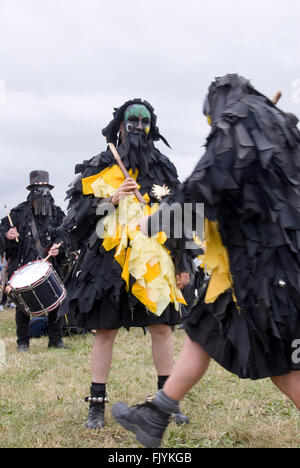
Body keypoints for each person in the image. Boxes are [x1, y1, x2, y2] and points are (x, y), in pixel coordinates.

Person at [112, 75, 300, 448]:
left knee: (284, 364)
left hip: (265, 269)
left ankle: (157, 413)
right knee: (205, 327)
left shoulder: (239, 119)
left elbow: (208, 179)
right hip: (256, 265)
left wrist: (158, 219)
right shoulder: (280, 125)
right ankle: (157, 414)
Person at [60, 98, 201, 429]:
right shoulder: (101, 163)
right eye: (132, 120)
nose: (138, 126)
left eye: (144, 121)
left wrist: (182, 264)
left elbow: (178, 217)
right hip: (109, 260)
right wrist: (110, 199)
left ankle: (166, 402)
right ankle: (96, 405)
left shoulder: (163, 167)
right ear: (120, 125)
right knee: (105, 329)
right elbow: (77, 220)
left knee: (163, 328)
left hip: (154, 258)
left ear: (151, 126)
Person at [0, 170, 69, 352]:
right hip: (23, 266)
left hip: (49, 265)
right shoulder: (17, 213)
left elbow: (64, 234)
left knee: (56, 301)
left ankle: (56, 340)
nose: (42, 193)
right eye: (38, 190)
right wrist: (7, 235)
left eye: (45, 189)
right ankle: (23, 342)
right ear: (31, 191)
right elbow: (2, 231)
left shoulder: (56, 213)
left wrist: (58, 246)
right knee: (22, 306)